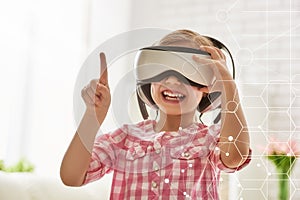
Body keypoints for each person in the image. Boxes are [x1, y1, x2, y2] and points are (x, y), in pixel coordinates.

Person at [60, 29, 251, 200]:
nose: (172, 81)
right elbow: (72, 177)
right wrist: (93, 116)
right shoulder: (125, 138)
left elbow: (235, 157)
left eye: (188, 72)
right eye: (161, 69)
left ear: (207, 88)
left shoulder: (211, 139)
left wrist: (228, 86)